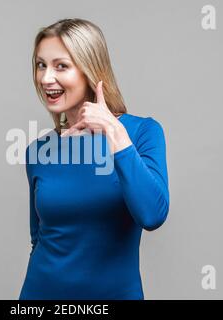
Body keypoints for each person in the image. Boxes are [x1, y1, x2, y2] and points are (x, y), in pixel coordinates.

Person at [19, 18, 170, 300]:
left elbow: (152, 215)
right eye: (41, 65)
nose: (45, 77)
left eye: (60, 66)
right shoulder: (38, 151)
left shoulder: (142, 133)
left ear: (90, 69)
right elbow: (39, 239)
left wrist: (114, 131)